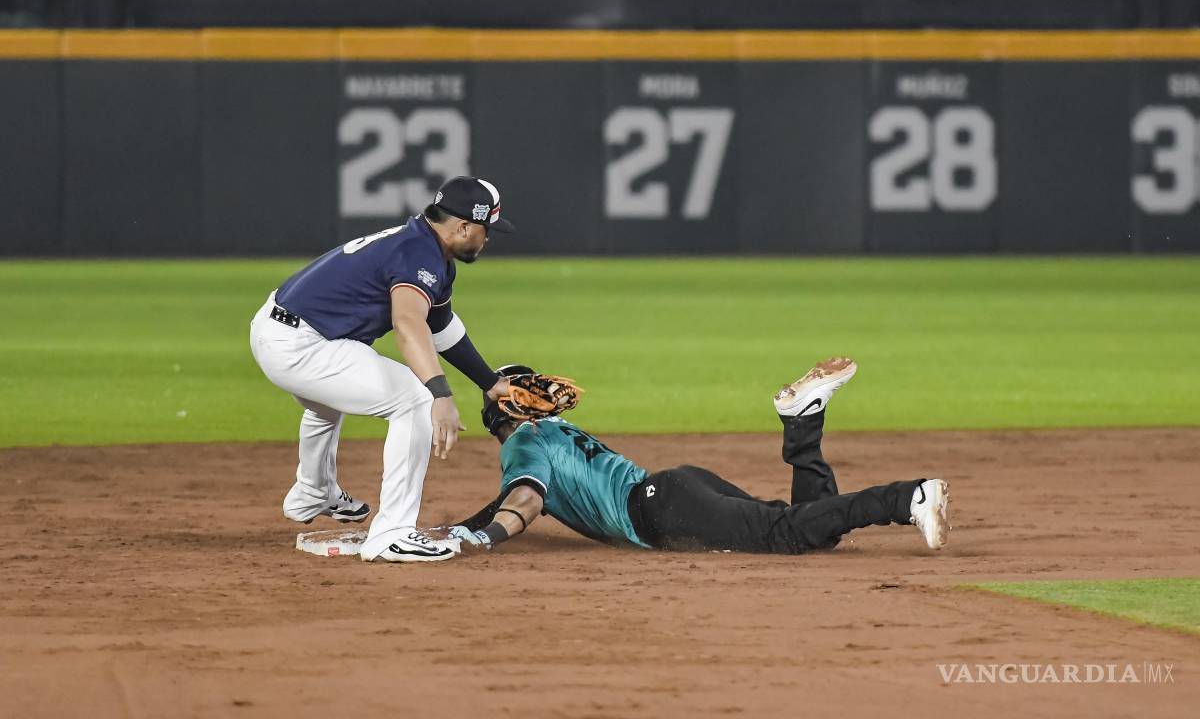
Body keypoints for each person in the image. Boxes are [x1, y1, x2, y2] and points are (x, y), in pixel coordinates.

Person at [250, 176, 516, 563]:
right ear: (462, 226)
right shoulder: (419, 255)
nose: (487, 239)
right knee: (415, 399)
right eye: (485, 228)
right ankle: (392, 534)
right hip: (299, 344)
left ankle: (314, 491)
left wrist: (490, 383)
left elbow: (439, 327)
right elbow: (409, 324)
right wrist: (439, 394)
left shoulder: (424, 246)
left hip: (280, 328)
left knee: (325, 403)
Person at [446, 357, 950, 555]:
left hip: (663, 509)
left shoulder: (523, 444)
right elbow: (513, 497)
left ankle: (907, 498)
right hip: (675, 488)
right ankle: (803, 421)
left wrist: (484, 540)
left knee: (788, 535)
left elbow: (527, 500)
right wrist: (461, 529)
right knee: (808, 526)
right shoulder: (554, 431)